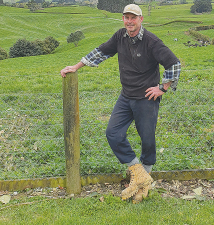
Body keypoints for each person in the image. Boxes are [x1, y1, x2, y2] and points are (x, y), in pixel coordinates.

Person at [60, 4, 181, 203]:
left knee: (147, 139)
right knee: (113, 133)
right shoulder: (120, 37)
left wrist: (163, 88)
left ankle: (143, 184)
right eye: (126, 17)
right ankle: (140, 175)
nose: (129, 21)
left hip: (146, 98)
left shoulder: (151, 41)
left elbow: (173, 64)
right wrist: (76, 66)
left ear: (141, 19)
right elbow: (101, 52)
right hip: (126, 96)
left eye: (133, 18)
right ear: (123, 19)